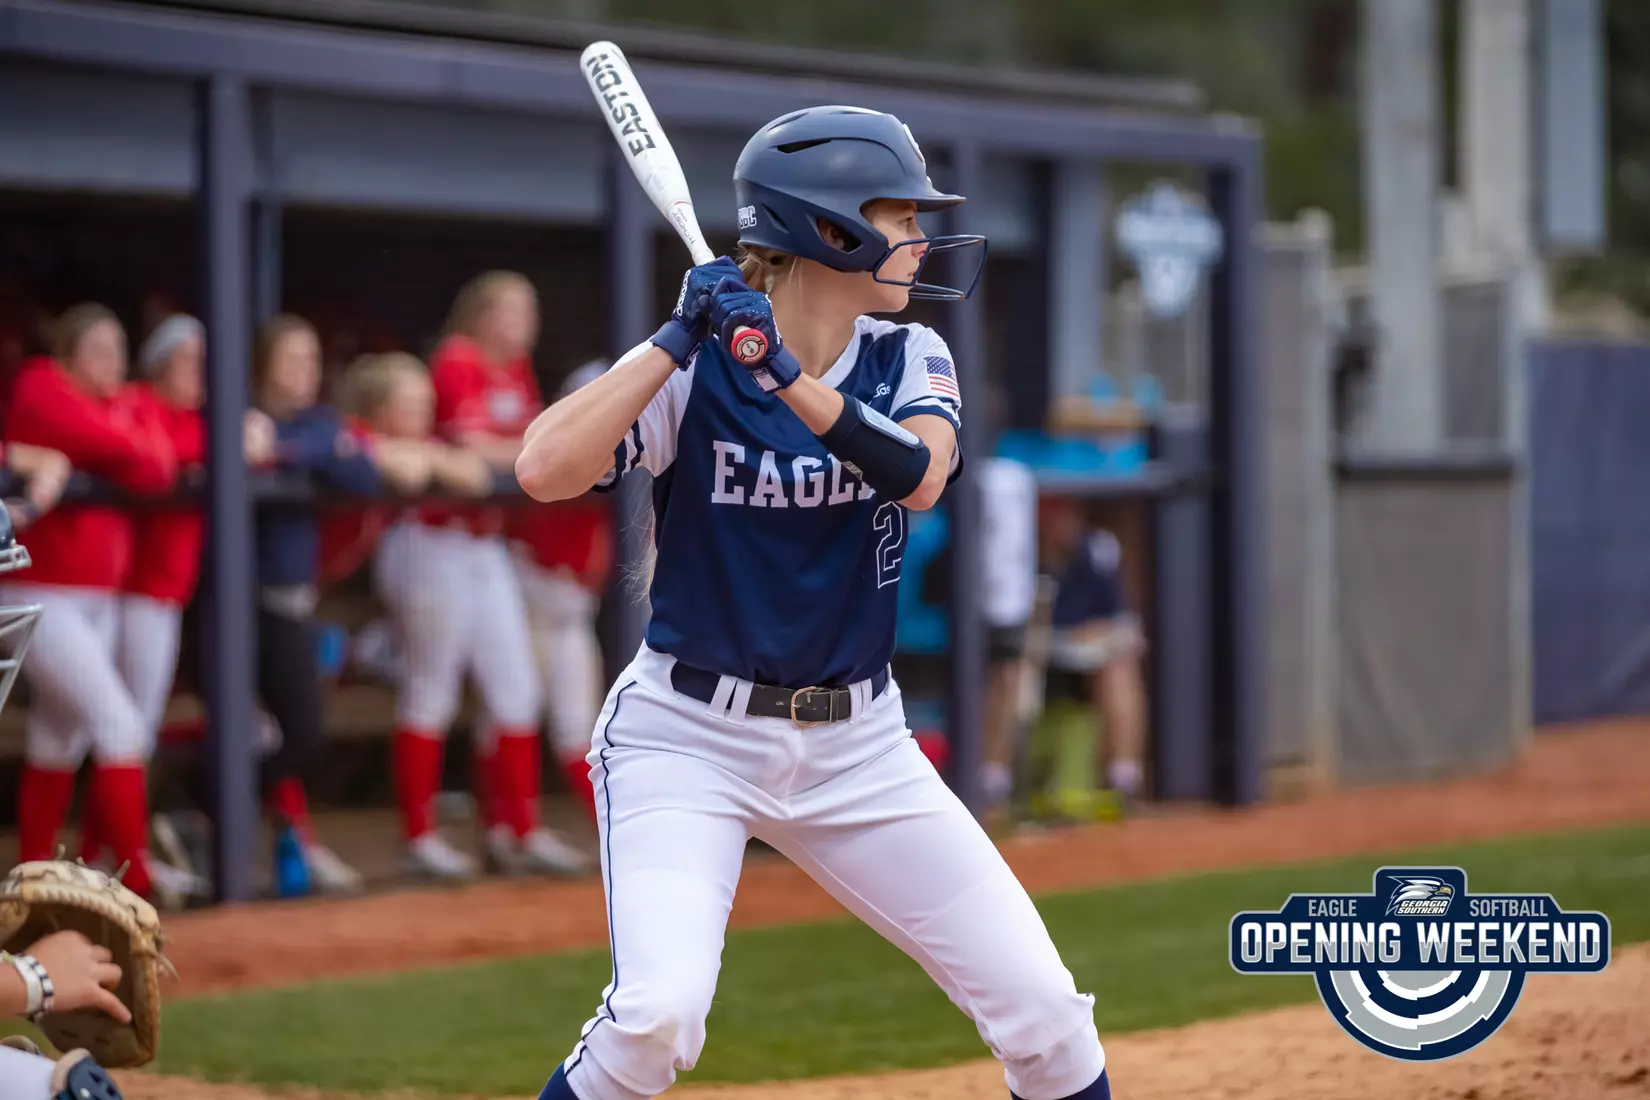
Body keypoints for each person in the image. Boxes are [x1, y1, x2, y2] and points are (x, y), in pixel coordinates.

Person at [517, 107, 1112, 1100]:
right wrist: (672, 338)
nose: (920, 237)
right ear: (830, 230)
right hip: (687, 736)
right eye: (901, 214)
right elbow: (542, 468)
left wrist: (784, 375)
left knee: (1047, 1015)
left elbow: (920, 473)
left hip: (860, 746)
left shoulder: (908, 354)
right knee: (656, 1018)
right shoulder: (698, 358)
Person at [375, 273, 587, 879]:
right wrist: (526, 448)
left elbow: (521, 444)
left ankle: (518, 833)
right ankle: (418, 838)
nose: (527, 321)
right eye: (515, 309)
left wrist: (521, 447)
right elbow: (475, 438)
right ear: (483, 314)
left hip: (485, 543)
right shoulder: (458, 359)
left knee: (517, 690)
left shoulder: (516, 369)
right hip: (432, 537)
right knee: (431, 690)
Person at [75, 315, 274, 897]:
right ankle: (115, 866)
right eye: (188, 360)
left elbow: (254, 450)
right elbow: (159, 454)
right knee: (123, 734)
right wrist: (231, 441)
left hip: (164, 596)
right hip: (129, 593)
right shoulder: (138, 402)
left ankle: (94, 861)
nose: (199, 373)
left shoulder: (197, 418)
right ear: (160, 364)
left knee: (131, 735)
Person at [0, 304, 181, 903]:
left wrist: (126, 442)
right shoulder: (41, 384)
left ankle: (32, 884)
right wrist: (124, 444)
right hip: (39, 591)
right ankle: (136, 881)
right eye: (97, 349)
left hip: (95, 597)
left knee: (60, 737)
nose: (111, 361)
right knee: (120, 724)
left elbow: (158, 468)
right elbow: (120, 448)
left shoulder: (122, 402)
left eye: (118, 349)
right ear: (68, 354)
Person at [244, 314, 429, 893]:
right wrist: (284, 447)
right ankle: (235, 823)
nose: (305, 370)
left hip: (292, 603)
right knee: (280, 728)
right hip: (234, 603)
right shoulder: (239, 413)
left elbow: (351, 465)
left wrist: (278, 449)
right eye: (291, 358)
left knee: (297, 732)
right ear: (263, 364)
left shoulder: (317, 423)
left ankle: (213, 812)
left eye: (311, 359)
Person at [502, 359, 614, 825]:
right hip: (533, 596)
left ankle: (613, 827)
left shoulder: (634, 454)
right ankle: (513, 832)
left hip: (572, 608)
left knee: (578, 729)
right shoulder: (551, 455)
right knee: (512, 708)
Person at [1024, 496, 1148, 821]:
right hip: (1027, 652)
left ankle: (1124, 781)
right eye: (1051, 513)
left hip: (1076, 652)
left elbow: (1118, 618)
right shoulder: (1018, 553)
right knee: (1012, 670)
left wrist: (1095, 635)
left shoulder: (1095, 549)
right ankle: (1001, 785)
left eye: (1065, 513)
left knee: (1120, 666)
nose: (1060, 523)